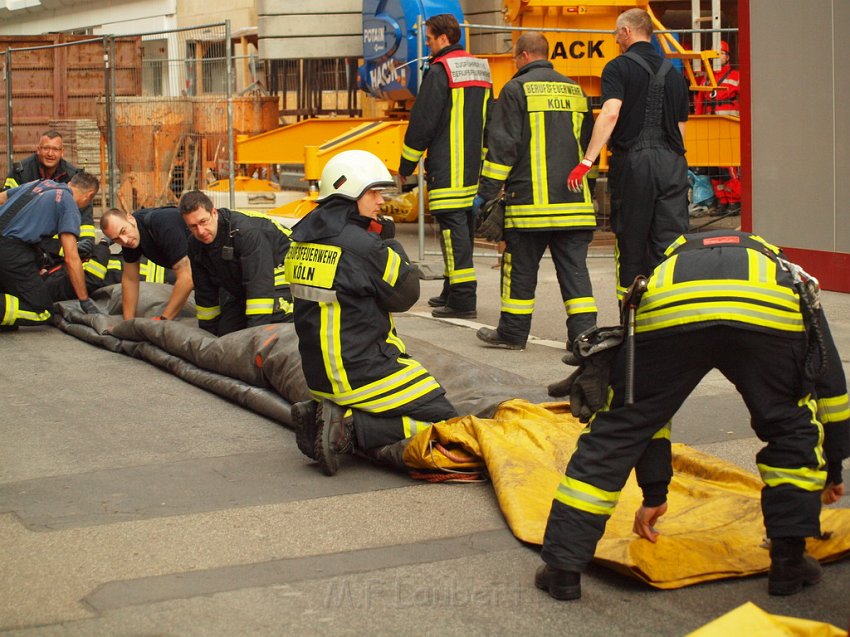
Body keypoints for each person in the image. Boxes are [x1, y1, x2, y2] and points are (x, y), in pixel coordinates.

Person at [536, 230, 849, 601]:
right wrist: (832, 466)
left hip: (670, 311)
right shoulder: (784, 271)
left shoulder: (667, 266)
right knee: (789, 426)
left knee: (620, 429)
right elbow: (830, 385)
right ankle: (789, 563)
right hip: (766, 313)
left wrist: (654, 492)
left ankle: (563, 569)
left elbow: (646, 414)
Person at [286, 150, 458, 476]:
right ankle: (347, 430)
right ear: (350, 192)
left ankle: (324, 413)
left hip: (319, 374)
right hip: (362, 371)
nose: (381, 201)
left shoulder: (301, 241)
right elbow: (406, 295)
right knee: (442, 418)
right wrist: (389, 245)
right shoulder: (363, 247)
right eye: (373, 193)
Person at [475, 31, 598, 352]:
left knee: (520, 271)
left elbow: (502, 148)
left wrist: (485, 194)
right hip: (575, 205)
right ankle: (585, 337)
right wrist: (589, 190)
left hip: (530, 207)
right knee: (575, 274)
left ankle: (513, 334)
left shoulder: (516, 89)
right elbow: (588, 148)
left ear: (524, 56)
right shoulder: (575, 90)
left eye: (515, 58)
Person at [566, 8, 690, 303]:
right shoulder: (673, 73)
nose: (615, 39)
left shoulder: (617, 67)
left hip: (635, 164)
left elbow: (610, 113)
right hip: (672, 163)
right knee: (669, 244)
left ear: (627, 32)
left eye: (615, 33)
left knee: (631, 243)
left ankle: (630, 321)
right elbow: (681, 128)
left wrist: (586, 161)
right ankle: (668, 316)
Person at [397, 13, 492, 319]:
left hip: (447, 166)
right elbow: (491, 121)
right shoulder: (480, 70)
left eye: (429, 39)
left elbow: (423, 122)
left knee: (453, 233)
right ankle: (452, 289)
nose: (427, 44)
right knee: (461, 227)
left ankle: (463, 300)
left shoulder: (440, 72)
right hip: (472, 167)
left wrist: (406, 164)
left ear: (442, 38)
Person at [178, 191, 293, 336]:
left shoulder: (245, 233)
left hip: (285, 274)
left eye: (203, 222)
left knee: (273, 317)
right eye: (193, 227)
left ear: (214, 213)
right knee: (228, 331)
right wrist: (208, 337)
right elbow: (205, 293)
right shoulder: (195, 245)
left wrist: (253, 338)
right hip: (247, 284)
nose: (200, 231)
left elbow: (259, 289)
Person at [0, 172, 101, 328]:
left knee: (12, 299)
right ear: (89, 196)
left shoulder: (40, 184)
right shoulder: (69, 205)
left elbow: (1, 198)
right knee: (42, 312)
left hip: (9, 248)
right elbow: (71, 258)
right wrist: (84, 300)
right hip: (11, 253)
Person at [3, 130, 97, 261]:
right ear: (38, 149)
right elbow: (7, 206)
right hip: (22, 242)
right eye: (46, 148)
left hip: (60, 248)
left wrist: (86, 244)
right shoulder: (20, 172)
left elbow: (84, 218)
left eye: (55, 149)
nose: (50, 154)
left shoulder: (74, 177)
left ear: (62, 151)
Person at [101, 207, 193, 321]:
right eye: (117, 239)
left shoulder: (162, 224)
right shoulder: (130, 238)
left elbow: (187, 278)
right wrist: (128, 322)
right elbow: (130, 279)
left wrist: (164, 319)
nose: (124, 241)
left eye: (123, 231)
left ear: (130, 218)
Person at [693, 41, 741, 217]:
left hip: (729, 128)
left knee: (728, 168)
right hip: (711, 129)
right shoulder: (706, 78)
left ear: (727, 56)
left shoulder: (736, 76)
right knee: (714, 169)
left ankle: (735, 201)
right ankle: (722, 201)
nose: (718, 57)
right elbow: (699, 101)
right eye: (715, 54)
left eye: (721, 53)